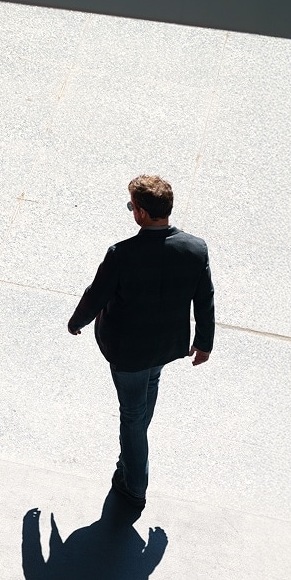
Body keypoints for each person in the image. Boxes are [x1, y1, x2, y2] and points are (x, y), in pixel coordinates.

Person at [67, 175, 214, 509]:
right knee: (145, 398)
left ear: (143, 214)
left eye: (132, 205)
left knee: (132, 417)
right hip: (165, 347)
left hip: (128, 352)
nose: (131, 210)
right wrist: (204, 342)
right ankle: (132, 459)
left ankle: (134, 485)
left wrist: (77, 322)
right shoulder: (195, 249)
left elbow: (96, 295)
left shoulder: (122, 254)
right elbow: (204, 299)